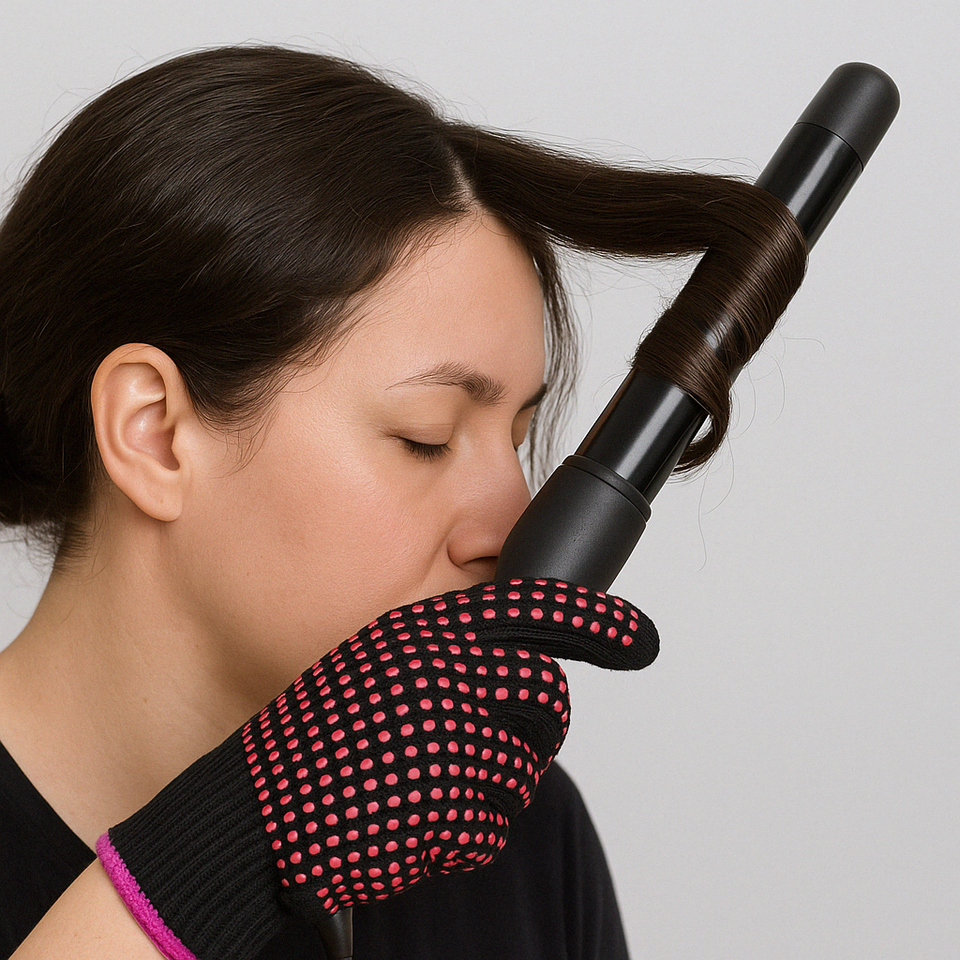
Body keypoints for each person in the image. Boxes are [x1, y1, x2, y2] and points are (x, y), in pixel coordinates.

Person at [0, 46, 806, 959]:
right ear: (154, 432)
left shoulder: (508, 843)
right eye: (425, 436)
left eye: (515, 438)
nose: (510, 523)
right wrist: (240, 839)